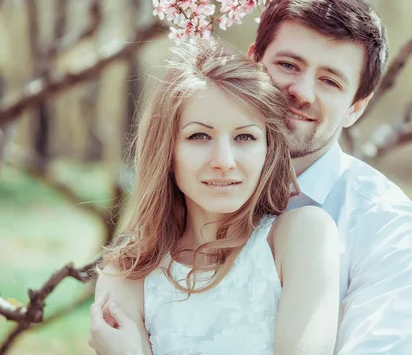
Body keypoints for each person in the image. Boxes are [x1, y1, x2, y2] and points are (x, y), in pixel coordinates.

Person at [88, 40, 341, 355]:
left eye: (245, 137)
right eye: (199, 136)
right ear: (167, 151)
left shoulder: (301, 237)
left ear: (268, 150)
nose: (224, 160)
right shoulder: (127, 275)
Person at [248, 0, 412, 354]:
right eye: (288, 65)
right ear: (252, 63)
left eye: (330, 81)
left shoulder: (386, 224)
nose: (301, 91)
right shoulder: (189, 181)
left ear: (355, 108)